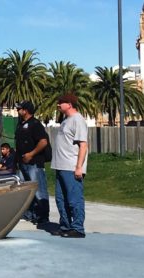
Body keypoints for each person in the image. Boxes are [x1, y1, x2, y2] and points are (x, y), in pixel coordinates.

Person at [52, 94, 89, 238]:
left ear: (69, 104)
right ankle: (65, 226)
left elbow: (83, 145)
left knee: (74, 199)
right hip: (60, 166)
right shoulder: (65, 121)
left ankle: (78, 228)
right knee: (61, 199)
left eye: (61, 103)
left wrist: (79, 167)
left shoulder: (78, 120)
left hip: (71, 166)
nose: (58, 105)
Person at [14, 101, 51, 226]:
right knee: (25, 190)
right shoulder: (20, 124)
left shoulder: (35, 124)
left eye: (20, 109)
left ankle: (42, 216)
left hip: (34, 163)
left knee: (39, 190)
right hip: (22, 163)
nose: (18, 111)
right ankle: (29, 214)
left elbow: (43, 142)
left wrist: (31, 154)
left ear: (26, 110)